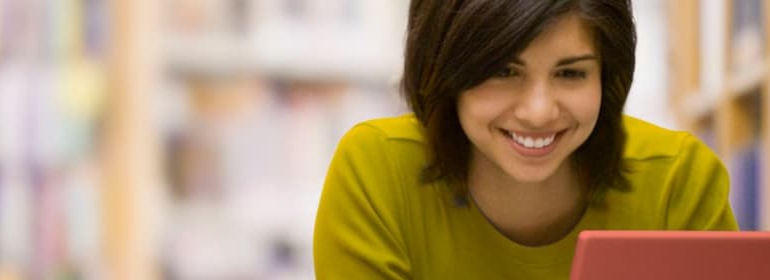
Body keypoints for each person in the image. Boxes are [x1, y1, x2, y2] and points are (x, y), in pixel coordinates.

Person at [313, 0, 738, 278]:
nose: (539, 111)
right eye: (503, 72)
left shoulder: (679, 180)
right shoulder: (377, 171)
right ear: (445, 73)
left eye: (571, 73)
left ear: (606, 78)